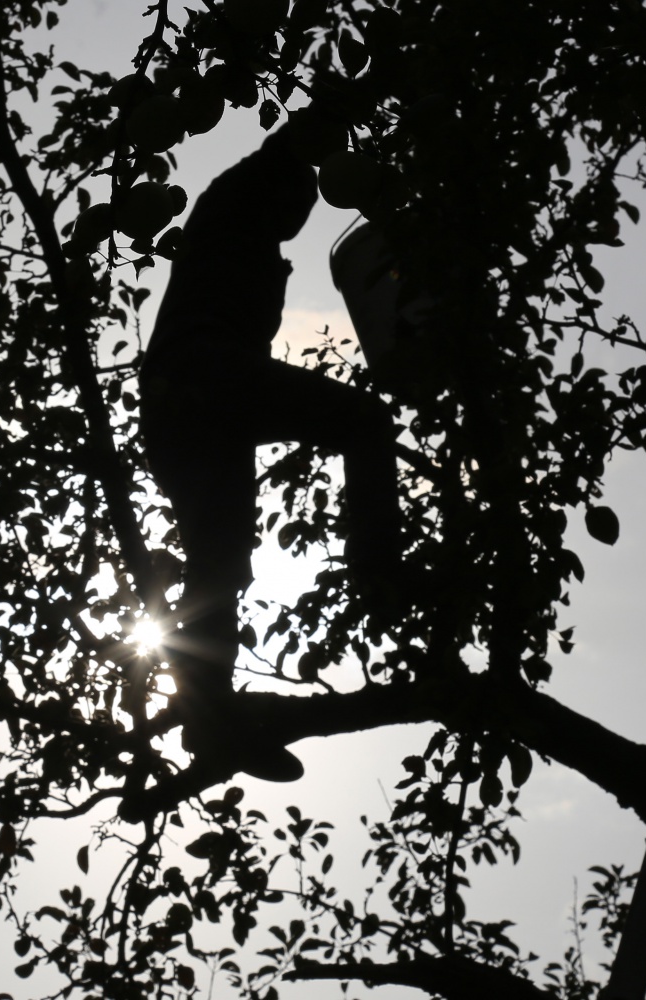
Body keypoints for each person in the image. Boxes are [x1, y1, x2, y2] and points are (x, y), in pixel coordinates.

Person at [140, 124, 401, 780]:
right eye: (297, 202)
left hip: (177, 412)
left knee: (219, 568)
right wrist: (340, 114)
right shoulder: (232, 204)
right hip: (206, 374)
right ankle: (379, 573)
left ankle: (208, 717)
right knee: (364, 422)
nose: (301, 216)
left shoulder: (248, 236)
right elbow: (284, 150)